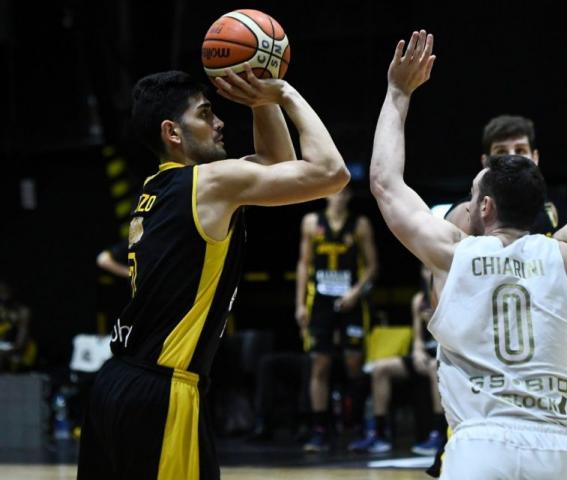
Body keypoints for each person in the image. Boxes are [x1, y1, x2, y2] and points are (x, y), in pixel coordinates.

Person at [370, 8, 567, 479]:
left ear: (486, 208)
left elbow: (386, 183)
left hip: (479, 443)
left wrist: (397, 94)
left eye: (474, 197)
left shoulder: (453, 255)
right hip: (556, 449)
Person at [77, 64, 349, 480]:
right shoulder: (209, 184)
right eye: (205, 114)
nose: (220, 123)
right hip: (162, 390)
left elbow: (276, 165)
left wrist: (260, 102)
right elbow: (331, 174)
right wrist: (284, 94)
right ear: (172, 132)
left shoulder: (157, 188)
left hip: (116, 384)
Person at [295, 185, 378, 452]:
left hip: (351, 300)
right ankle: (319, 428)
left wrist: (356, 291)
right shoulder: (311, 222)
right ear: (326, 193)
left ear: (349, 196)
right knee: (320, 364)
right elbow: (303, 264)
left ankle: (357, 422)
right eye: (335, 192)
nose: (338, 197)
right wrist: (299, 305)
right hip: (319, 301)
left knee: (354, 363)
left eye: (344, 193)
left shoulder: (360, 224)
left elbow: (372, 266)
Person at [348, 264, 446, 455]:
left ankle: (438, 434)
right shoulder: (419, 300)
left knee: (435, 368)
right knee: (380, 368)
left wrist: (433, 319)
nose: (428, 273)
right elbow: (417, 338)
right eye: (425, 269)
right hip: (424, 355)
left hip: (445, 353)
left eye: (431, 269)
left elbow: (453, 336)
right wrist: (418, 351)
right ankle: (379, 434)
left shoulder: (450, 296)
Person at [445, 115, 558, 236]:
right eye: (501, 151)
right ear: (485, 162)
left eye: (520, 150)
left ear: (535, 158)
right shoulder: (466, 212)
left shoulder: (548, 207)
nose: (512, 157)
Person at [0, 279, 35, 372]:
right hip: (2, 346)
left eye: (5, 291)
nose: (3, 295)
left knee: (13, 360)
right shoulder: (2, 310)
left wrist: (8, 351)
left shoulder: (23, 311)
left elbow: (21, 341)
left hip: (15, 349)